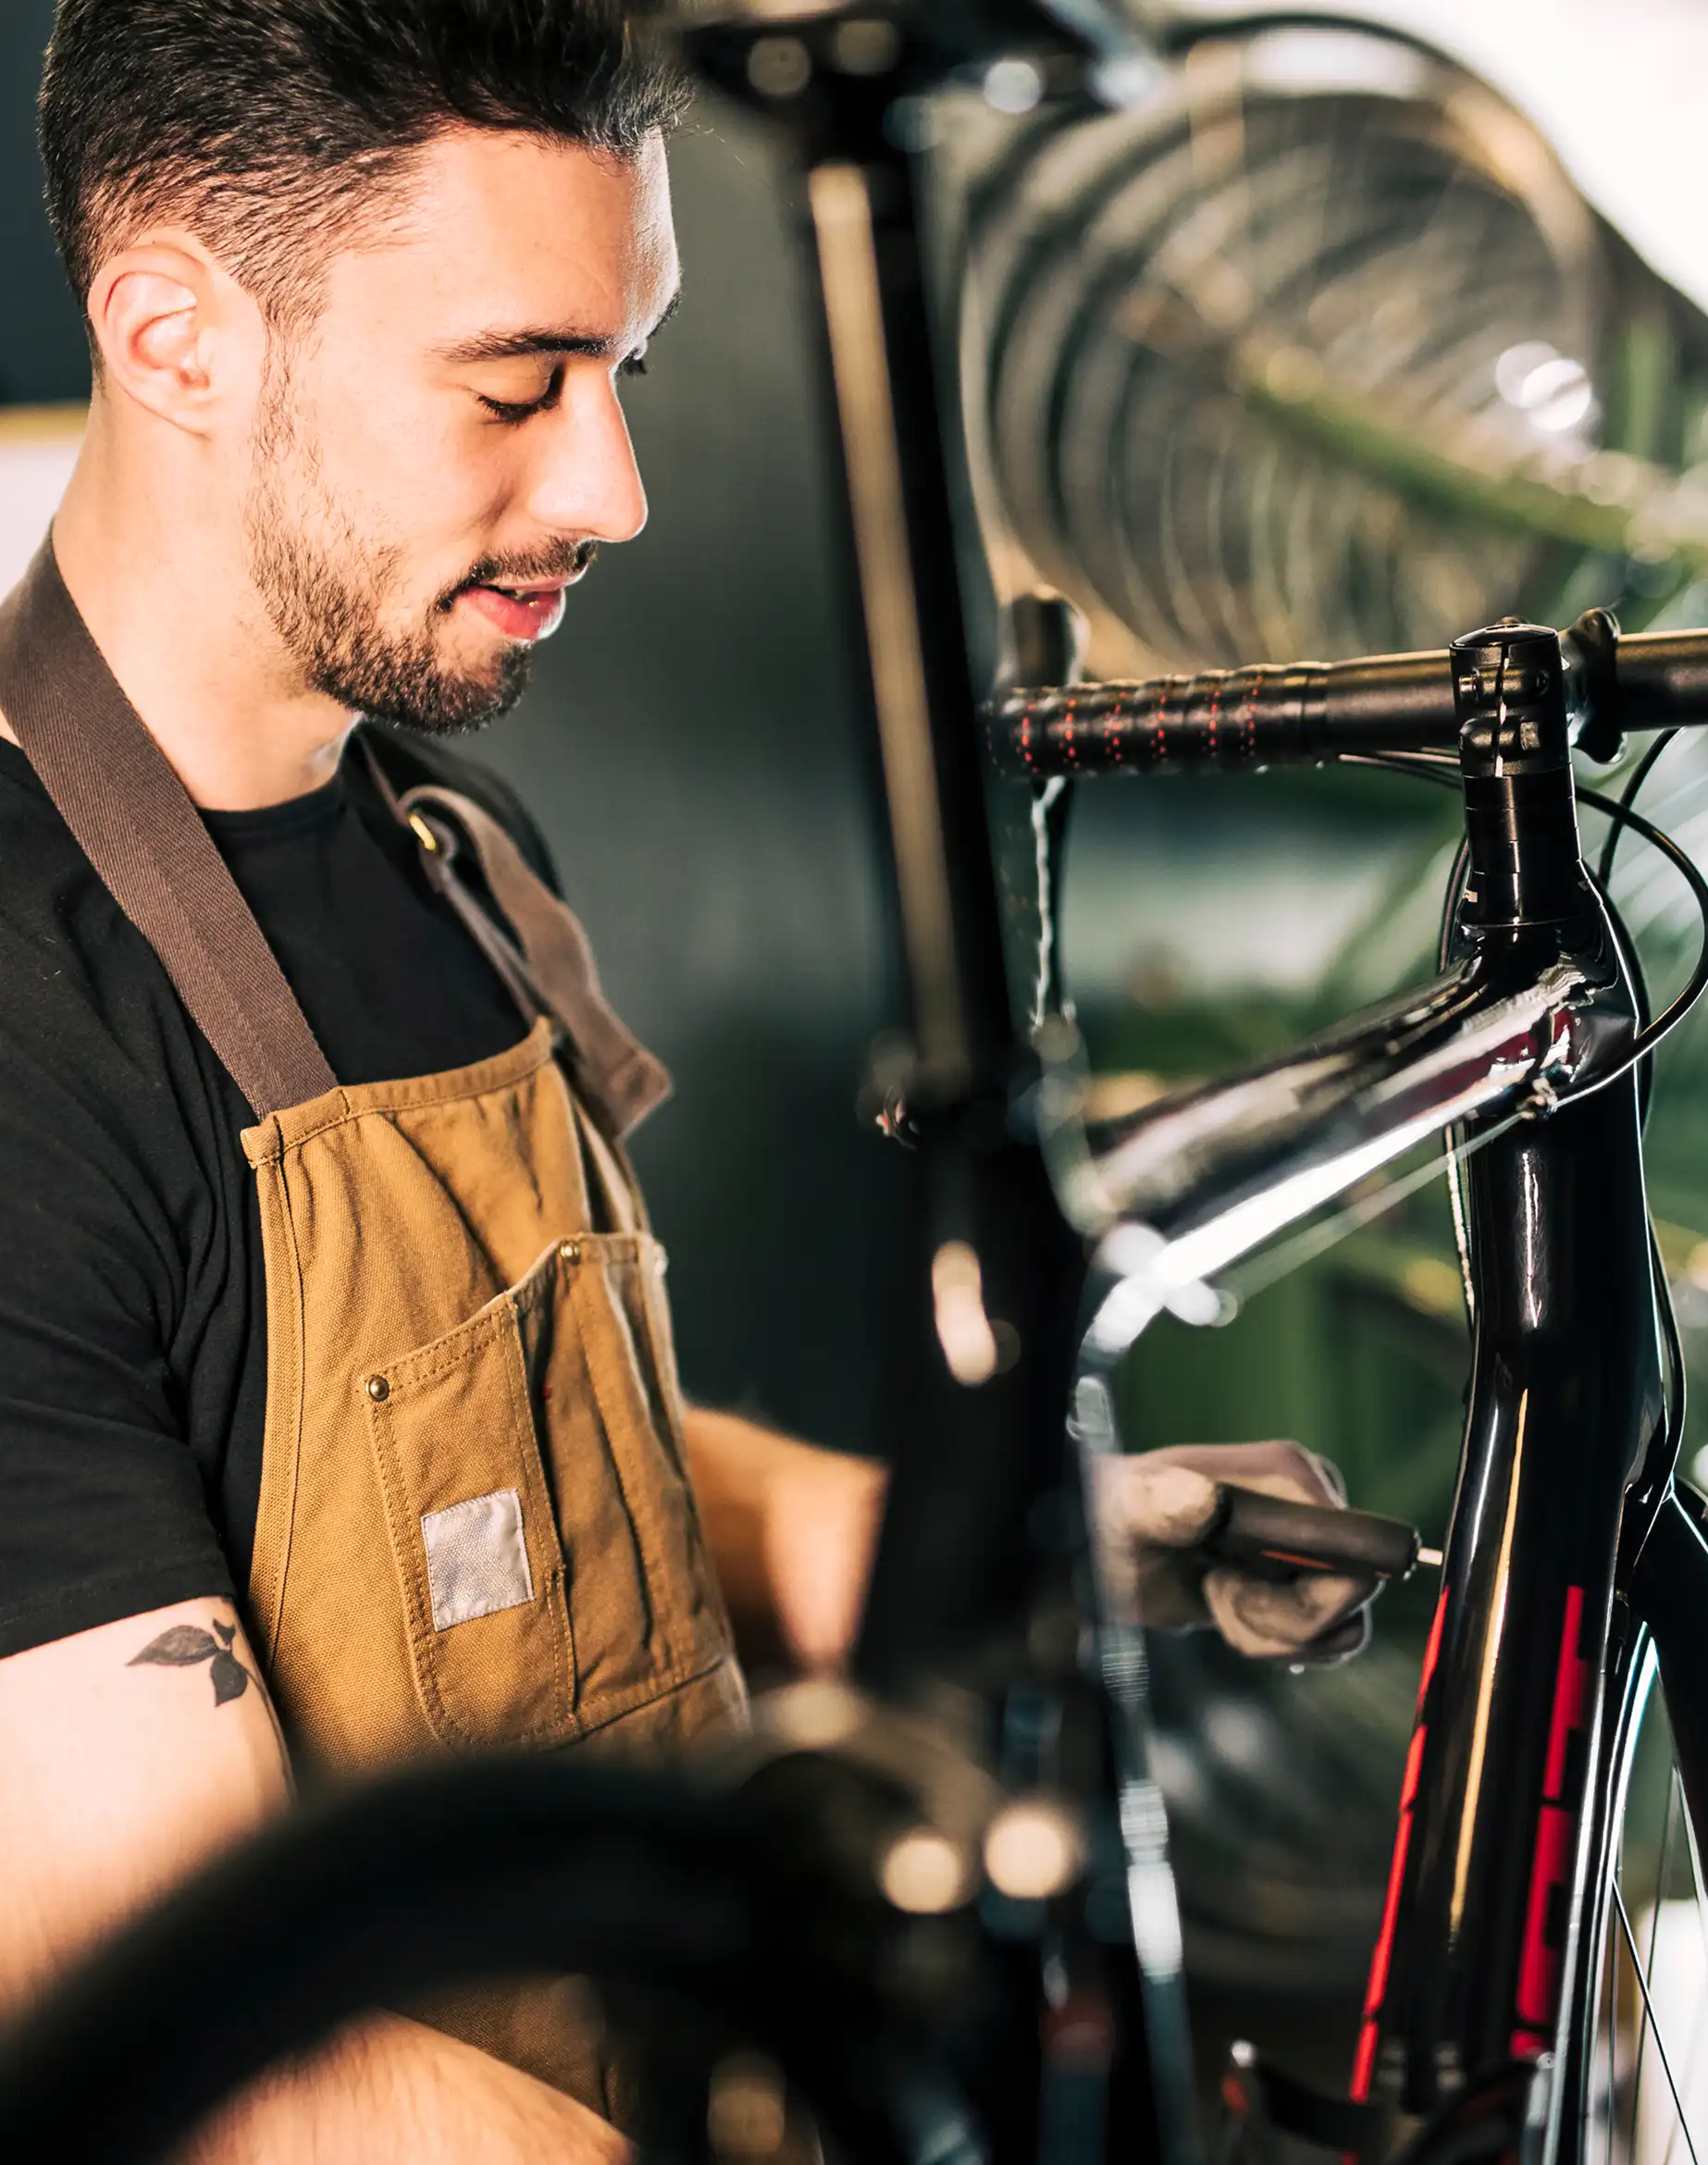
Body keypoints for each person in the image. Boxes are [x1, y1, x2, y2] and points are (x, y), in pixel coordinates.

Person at [0, 4, 1373, 2159]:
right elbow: (249, 2067)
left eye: (622, 372)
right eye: (514, 381)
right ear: (174, 335)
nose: (609, 489)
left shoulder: (452, 862)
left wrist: (1013, 1542)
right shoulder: (20, 1023)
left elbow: (535, 1485)